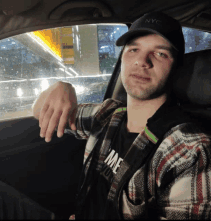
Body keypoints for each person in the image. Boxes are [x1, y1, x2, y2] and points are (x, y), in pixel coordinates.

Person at [32, 12, 211, 220]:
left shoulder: (190, 152)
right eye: (134, 49)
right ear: (123, 58)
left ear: (176, 68)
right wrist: (60, 88)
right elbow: (38, 112)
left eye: (160, 53)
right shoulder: (108, 114)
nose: (142, 61)